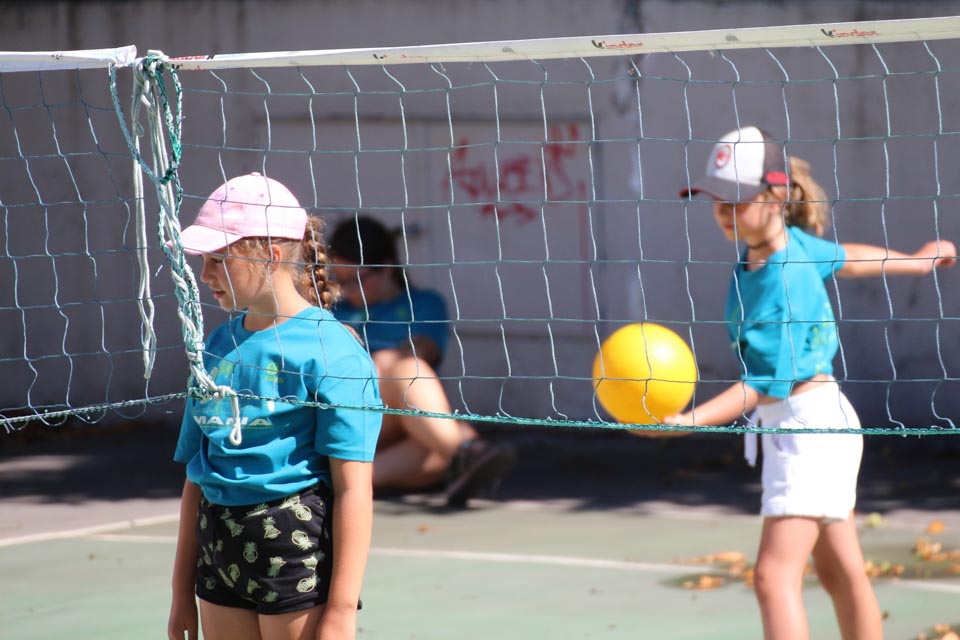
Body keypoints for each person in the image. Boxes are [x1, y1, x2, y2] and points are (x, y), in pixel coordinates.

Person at [669, 127, 956, 640]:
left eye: (736, 198)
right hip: (814, 425)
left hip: (808, 430)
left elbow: (765, 383)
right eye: (715, 198)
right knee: (839, 572)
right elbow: (846, 256)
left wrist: (689, 421)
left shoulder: (783, 278)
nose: (723, 210)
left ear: (775, 196)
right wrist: (914, 262)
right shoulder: (781, 250)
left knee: (772, 578)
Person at [167, 173, 382, 640]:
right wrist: (181, 590)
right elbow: (196, 477)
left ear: (270, 254)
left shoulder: (333, 352)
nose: (205, 275)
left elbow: (353, 488)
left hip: (291, 553)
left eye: (218, 259)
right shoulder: (216, 347)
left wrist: (342, 609)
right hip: (217, 553)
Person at [328, 216, 516, 507]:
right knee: (398, 366)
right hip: (347, 412)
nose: (347, 290)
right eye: (340, 281)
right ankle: (463, 454)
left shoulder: (424, 303)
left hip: (400, 417)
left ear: (386, 269)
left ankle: (343, 481)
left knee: (448, 437)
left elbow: (424, 349)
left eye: (356, 280)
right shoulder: (330, 310)